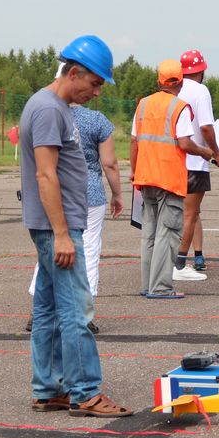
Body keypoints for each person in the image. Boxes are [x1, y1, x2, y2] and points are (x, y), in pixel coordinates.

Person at [19, 35, 131, 417]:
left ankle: (48, 388)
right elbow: (46, 176)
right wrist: (63, 234)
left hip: (56, 225)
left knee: (48, 309)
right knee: (77, 310)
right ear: (75, 72)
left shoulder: (56, 106)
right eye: (95, 83)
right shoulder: (49, 109)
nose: (96, 93)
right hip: (58, 228)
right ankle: (85, 392)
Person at [26, 73, 124, 333]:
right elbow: (110, 163)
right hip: (89, 194)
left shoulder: (46, 112)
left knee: (49, 252)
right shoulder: (97, 121)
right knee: (88, 252)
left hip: (53, 194)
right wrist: (117, 193)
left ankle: (39, 310)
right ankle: (83, 312)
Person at [132, 59, 213, 298]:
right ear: (180, 82)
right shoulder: (180, 107)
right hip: (169, 179)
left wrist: (135, 171)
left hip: (145, 178)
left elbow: (135, 142)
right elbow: (185, 143)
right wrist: (205, 152)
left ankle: (147, 284)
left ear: (159, 81)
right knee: (167, 233)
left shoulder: (143, 105)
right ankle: (161, 287)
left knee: (149, 232)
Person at [174, 48, 219, 280]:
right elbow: (206, 127)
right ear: (201, 71)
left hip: (171, 162)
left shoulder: (172, 89)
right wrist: (217, 153)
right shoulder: (200, 91)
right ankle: (179, 264)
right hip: (195, 161)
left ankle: (184, 256)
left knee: (176, 213)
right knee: (190, 213)